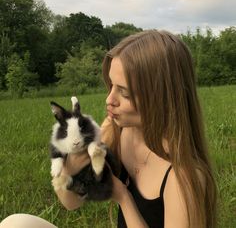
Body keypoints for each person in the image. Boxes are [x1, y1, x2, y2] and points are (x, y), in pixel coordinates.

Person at [0, 30, 217, 228]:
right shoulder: (118, 130)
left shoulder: (185, 177)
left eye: (125, 93)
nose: (109, 100)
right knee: (15, 224)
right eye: (111, 85)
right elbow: (71, 202)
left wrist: (123, 198)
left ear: (161, 98)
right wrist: (70, 168)